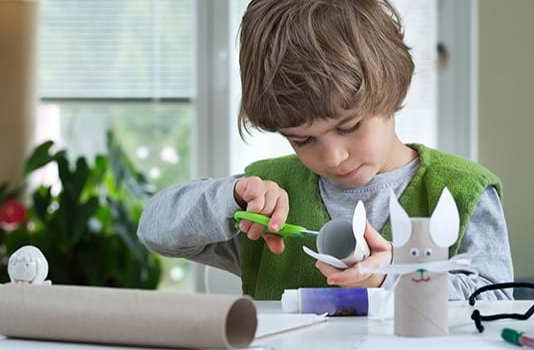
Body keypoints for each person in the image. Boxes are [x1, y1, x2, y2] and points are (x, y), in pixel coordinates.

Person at [138, 0, 514, 300]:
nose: (333, 157)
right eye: (302, 140)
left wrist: (394, 280)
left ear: (394, 89)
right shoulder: (267, 199)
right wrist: (230, 198)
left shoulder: (462, 191)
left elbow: (498, 299)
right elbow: (154, 228)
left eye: (348, 127)